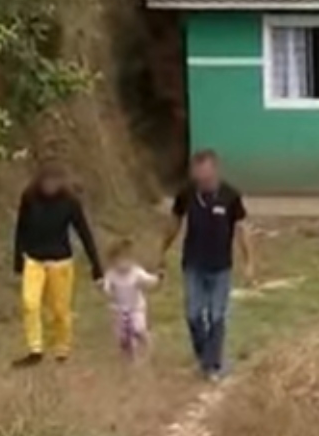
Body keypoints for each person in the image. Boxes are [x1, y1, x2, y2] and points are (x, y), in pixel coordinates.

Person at [161, 150, 253, 381]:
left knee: (216, 316)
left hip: (221, 266)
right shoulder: (186, 194)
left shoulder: (231, 196)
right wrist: (161, 249)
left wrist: (249, 261)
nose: (204, 182)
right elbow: (174, 222)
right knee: (193, 315)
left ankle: (212, 366)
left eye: (207, 177)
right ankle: (207, 357)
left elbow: (243, 229)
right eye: (199, 178)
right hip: (193, 264)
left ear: (215, 171)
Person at [12, 162, 103, 368]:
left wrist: (96, 266)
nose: (50, 186)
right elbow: (21, 228)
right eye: (47, 181)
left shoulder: (70, 202)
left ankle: (62, 349)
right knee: (30, 303)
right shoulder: (29, 197)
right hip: (34, 259)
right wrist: (18, 257)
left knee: (60, 309)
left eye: (55, 182)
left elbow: (84, 233)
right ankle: (35, 349)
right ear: (40, 180)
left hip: (60, 261)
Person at [102, 238, 161, 360]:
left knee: (137, 327)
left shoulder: (136, 272)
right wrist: (106, 290)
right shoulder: (111, 274)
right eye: (119, 260)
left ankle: (146, 339)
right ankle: (128, 356)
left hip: (136, 307)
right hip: (119, 309)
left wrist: (157, 279)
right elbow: (107, 287)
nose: (123, 264)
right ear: (113, 261)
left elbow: (148, 280)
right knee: (123, 336)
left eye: (127, 260)